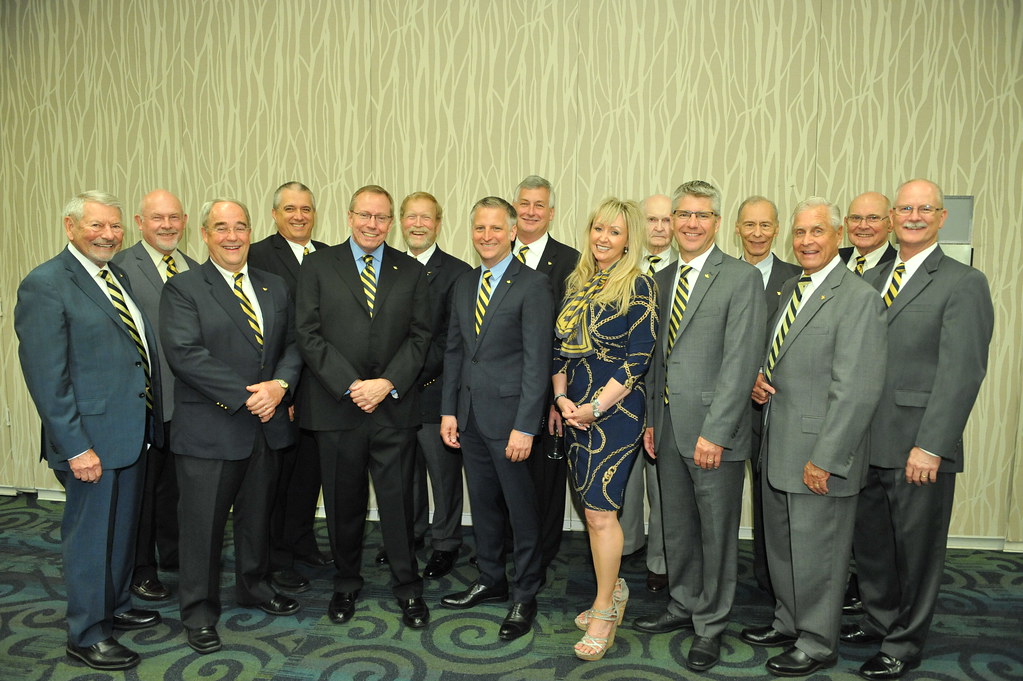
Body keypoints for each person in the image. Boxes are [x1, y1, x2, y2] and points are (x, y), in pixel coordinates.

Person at [843, 179, 993, 680]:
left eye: (924, 209)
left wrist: (931, 445)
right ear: (892, 218)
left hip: (917, 445)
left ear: (941, 218)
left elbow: (962, 373)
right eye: (904, 208)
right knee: (873, 546)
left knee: (916, 553)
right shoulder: (870, 278)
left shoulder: (963, 282)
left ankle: (904, 645)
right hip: (865, 441)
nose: (913, 216)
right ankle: (879, 620)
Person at [16, 191, 162, 671]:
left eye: (115, 226)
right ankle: (86, 634)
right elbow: (47, 378)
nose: (108, 235)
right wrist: (76, 447)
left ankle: (114, 606)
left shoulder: (114, 275)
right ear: (70, 226)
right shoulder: (46, 283)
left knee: (120, 532)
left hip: (128, 432)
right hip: (89, 442)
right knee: (90, 540)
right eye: (96, 225)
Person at [741, 197, 886, 677]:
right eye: (800, 232)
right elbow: (784, 358)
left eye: (817, 231)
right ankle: (789, 622)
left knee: (819, 556)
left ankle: (819, 642)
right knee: (784, 549)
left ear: (838, 235)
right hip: (778, 444)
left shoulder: (858, 298)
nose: (806, 241)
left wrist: (826, 458)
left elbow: (857, 390)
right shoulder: (791, 288)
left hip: (819, 453)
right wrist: (760, 378)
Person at [161, 198, 303, 654]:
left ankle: (254, 586)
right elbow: (186, 355)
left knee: (257, 517)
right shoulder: (184, 287)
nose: (232, 236)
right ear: (204, 234)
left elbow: (294, 344)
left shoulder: (274, 285)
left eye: (240, 227)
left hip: (265, 425)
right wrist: (251, 396)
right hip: (211, 430)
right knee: (202, 528)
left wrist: (280, 386)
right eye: (221, 227)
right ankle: (199, 612)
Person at [638, 181, 766, 672]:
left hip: (714, 431)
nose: (691, 223)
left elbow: (740, 363)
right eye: (684, 215)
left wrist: (716, 432)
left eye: (702, 215)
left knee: (716, 533)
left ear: (717, 222)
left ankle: (710, 624)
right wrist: (653, 421)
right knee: (677, 525)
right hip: (669, 427)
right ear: (672, 221)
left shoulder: (740, 278)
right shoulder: (661, 278)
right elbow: (656, 360)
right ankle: (683, 602)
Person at [295, 185, 431, 629]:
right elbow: (308, 333)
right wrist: (352, 385)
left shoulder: (411, 271)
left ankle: (408, 586)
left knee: (398, 504)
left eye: (381, 217)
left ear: (391, 222)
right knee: (342, 503)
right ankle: (346, 581)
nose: (372, 225)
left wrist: (386, 383)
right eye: (365, 215)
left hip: (392, 408)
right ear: (350, 215)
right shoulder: (318, 265)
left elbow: (420, 336)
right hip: (337, 407)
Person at [440, 197, 552, 642]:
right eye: (479, 228)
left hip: (511, 423)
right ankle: (490, 579)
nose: (486, 236)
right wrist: (449, 410)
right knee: (483, 506)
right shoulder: (465, 283)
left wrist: (525, 426)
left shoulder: (533, 285)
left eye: (495, 228)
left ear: (512, 232)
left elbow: (537, 362)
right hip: (469, 417)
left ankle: (525, 592)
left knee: (521, 512)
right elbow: (455, 351)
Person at [553, 197, 657, 660]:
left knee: (599, 513)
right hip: (574, 411)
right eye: (599, 228)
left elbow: (638, 358)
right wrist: (562, 399)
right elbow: (559, 350)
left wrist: (595, 407)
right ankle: (613, 589)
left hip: (615, 413)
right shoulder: (578, 282)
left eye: (615, 231)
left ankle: (603, 610)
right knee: (592, 509)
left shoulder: (638, 285)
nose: (603, 238)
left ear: (629, 239)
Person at [112, 189, 197, 603]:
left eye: (174, 217)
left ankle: (176, 554)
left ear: (184, 222)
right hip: (146, 404)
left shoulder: (194, 267)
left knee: (178, 490)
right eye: (157, 218)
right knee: (143, 494)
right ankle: (142, 569)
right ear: (139, 222)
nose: (167, 225)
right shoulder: (119, 269)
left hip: (190, 404)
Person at [248, 181, 332, 595]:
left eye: (306, 209)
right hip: (282, 389)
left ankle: (302, 542)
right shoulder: (257, 255)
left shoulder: (329, 256)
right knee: (277, 481)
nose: (299, 216)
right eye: (290, 209)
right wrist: (289, 391)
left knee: (308, 476)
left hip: (325, 391)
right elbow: (273, 331)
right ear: (275, 214)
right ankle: (276, 558)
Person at [391, 191, 472, 579]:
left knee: (443, 477)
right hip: (394, 396)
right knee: (404, 474)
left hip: (436, 391)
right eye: (411, 217)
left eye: (426, 217)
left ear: (438, 224)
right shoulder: (388, 268)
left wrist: (404, 373)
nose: (418, 224)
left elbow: (451, 339)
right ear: (401, 222)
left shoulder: (458, 273)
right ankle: (409, 535)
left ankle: (446, 543)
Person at [511, 175, 580, 573]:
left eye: (539, 205)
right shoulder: (496, 253)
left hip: (548, 393)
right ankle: (508, 547)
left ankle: (542, 553)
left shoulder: (571, 262)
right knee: (506, 477)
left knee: (545, 480)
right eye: (524, 203)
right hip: (503, 390)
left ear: (551, 213)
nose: (531, 211)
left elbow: (571, 337)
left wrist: (558, 396)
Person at [734, 194, 801, 598]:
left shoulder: (798, 277)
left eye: (765, 225)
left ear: (777, 229)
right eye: (749, 224)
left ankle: (773, 580)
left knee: (771, 498)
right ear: (737, 229)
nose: (757, 233)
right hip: (725, 408)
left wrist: (763, 375)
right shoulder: (720, 276)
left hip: (775, 407)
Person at [619, 193, 673, 593]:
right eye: (651, 219)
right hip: (622, 392)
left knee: (662, 484)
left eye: (666, 220)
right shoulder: (622, 269)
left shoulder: (683, 272)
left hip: (664, 394)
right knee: (624, 479)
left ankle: (661, 560)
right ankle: (624, 547)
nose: (658, 227)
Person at [840, 192, 897, 275]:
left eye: (873, 218)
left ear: (890, 223)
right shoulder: (830, 260)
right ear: (846, 223)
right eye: (856, 218)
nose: (863, 226)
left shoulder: (900, 266)